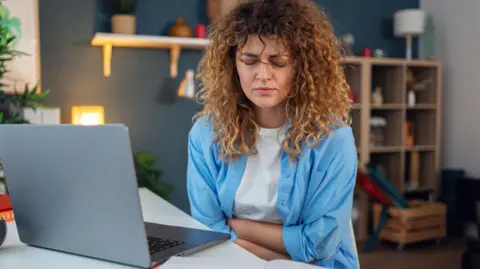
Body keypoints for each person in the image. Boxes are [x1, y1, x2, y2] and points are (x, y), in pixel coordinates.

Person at [186, 0, 358, 268]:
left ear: (301, 68)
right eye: (250, 61)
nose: (263, 75)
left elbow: (319, 246)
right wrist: (282, 255)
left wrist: (237, 227)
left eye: (278, 62)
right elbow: (208, 230)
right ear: (233, 65)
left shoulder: (333, 139)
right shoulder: (206, 134)